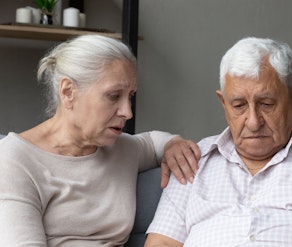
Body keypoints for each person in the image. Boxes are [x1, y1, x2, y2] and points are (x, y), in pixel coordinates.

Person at [145, 37, 292, 247]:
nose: (253, 122)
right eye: (239, 105)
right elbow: (160, 243)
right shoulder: (192, 159)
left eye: (266, 103)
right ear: (223, 103)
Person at [0, 35, 200, 246]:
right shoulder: (14, 161)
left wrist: (173, 144)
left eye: (130, 96)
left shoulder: (122, 149)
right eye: (114, 96)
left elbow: (153, 142)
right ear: (68, 92)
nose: (127, 112)